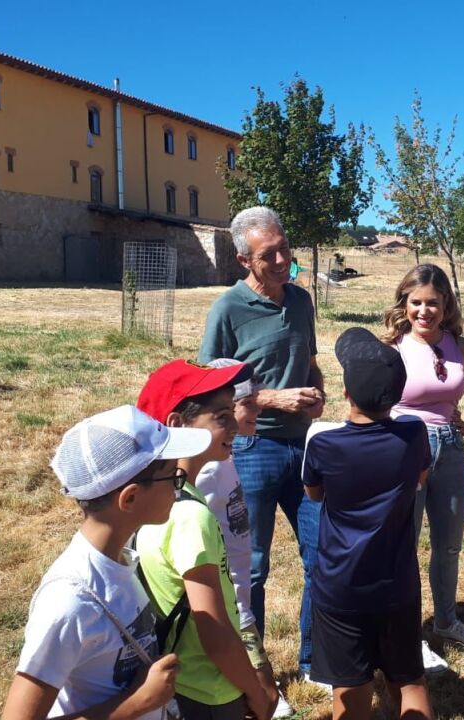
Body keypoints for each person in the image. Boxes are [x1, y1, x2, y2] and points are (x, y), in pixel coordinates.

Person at [1, 405, 203, 720]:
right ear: (131, 498)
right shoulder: (70, 602)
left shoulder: (119, 559)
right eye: (174, 477)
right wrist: (138, 703)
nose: (179, 487)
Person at [198, 206, 327, 686]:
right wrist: (273, 397)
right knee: (249, 570)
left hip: (305, 447)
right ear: (242, 260)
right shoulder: (227, 309)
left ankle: (316, 663)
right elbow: (209, 388)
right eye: (267, 255)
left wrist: (315, 390)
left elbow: (309, 361)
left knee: (322, 556)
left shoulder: (301, 300)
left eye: (284, 250)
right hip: (252, 450)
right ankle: (254, 675)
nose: (280, 261)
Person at [302, 327, 435, 720]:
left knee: (350, 684)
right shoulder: (414, 434)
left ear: (345, 394)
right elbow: (420, 480)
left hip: (340, 586)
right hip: (397, 585)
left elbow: (315, 494)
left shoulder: (323, 445)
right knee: (409, 679)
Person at [134, 360, 277, 720]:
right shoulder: (190, 515)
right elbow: (213, 630)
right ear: (177, 425)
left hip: (185, 682)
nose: (234, 426)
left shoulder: (158, 500)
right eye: (221, 416)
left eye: (232, 412)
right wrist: (255, 691)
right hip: (211, 689)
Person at [382, 264, 464, 671]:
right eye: (415, 302)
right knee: (405, 547)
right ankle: (408, 633)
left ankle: (447, 621)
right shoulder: (393, 346)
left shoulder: (459, 346)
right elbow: (368, 400)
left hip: (450, 450)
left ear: (446, 304)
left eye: (432, 303)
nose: (423, 311)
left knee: (448, 544)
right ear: (405, 303)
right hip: (405, 450)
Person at [197, 359, 292, 718]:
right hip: (225, 610)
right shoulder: (204, 472)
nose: (257, 410)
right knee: (261, 698)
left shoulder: (227, 458)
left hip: (240, 604)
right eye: (248, 403)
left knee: (261, 700)